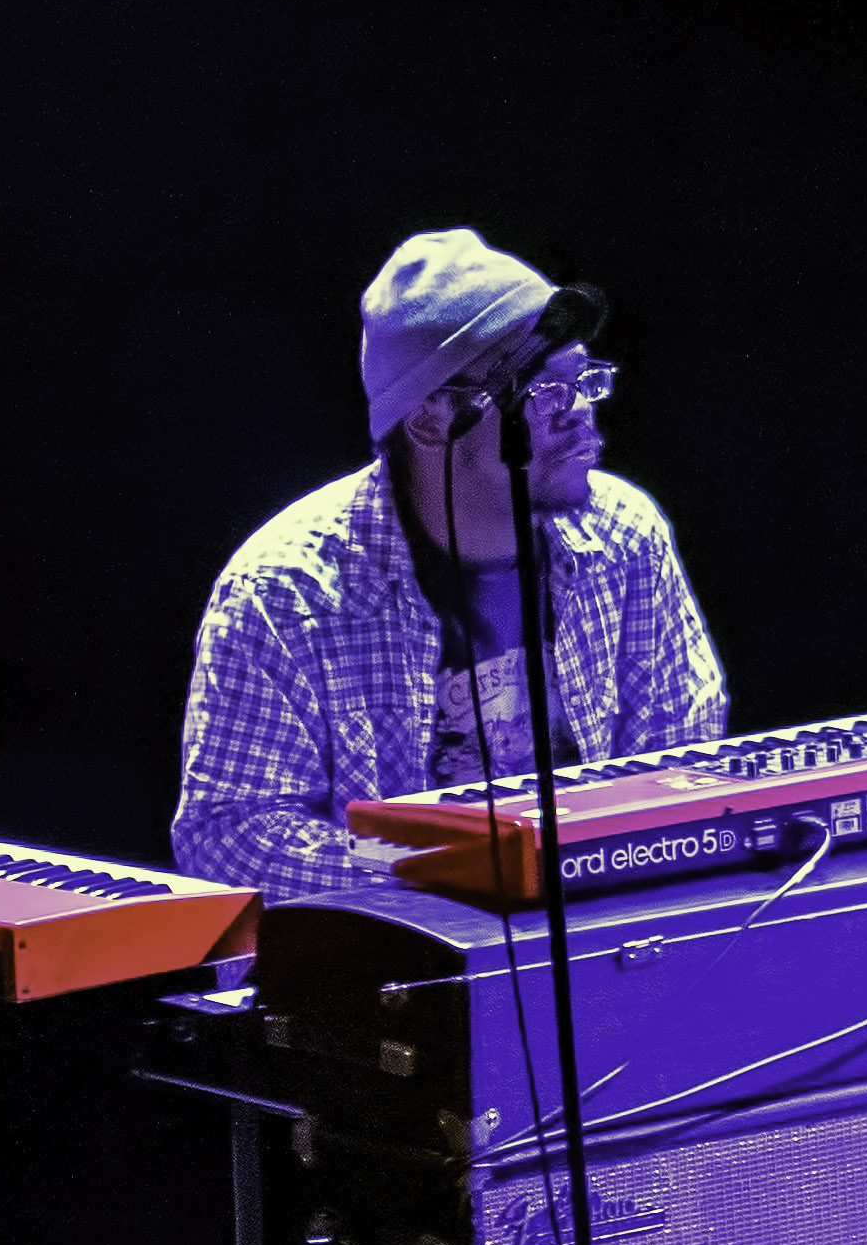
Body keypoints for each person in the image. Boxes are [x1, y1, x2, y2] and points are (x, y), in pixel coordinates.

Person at [181, 232, 726, 891]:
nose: (581, 412)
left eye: (584, 380)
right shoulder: (283, 591)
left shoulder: (624, 533)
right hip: (397, 963)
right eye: (544, 392)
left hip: (590, 931)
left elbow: (681, 757)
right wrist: (444, 871)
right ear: (432, 418)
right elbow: (234, 832)